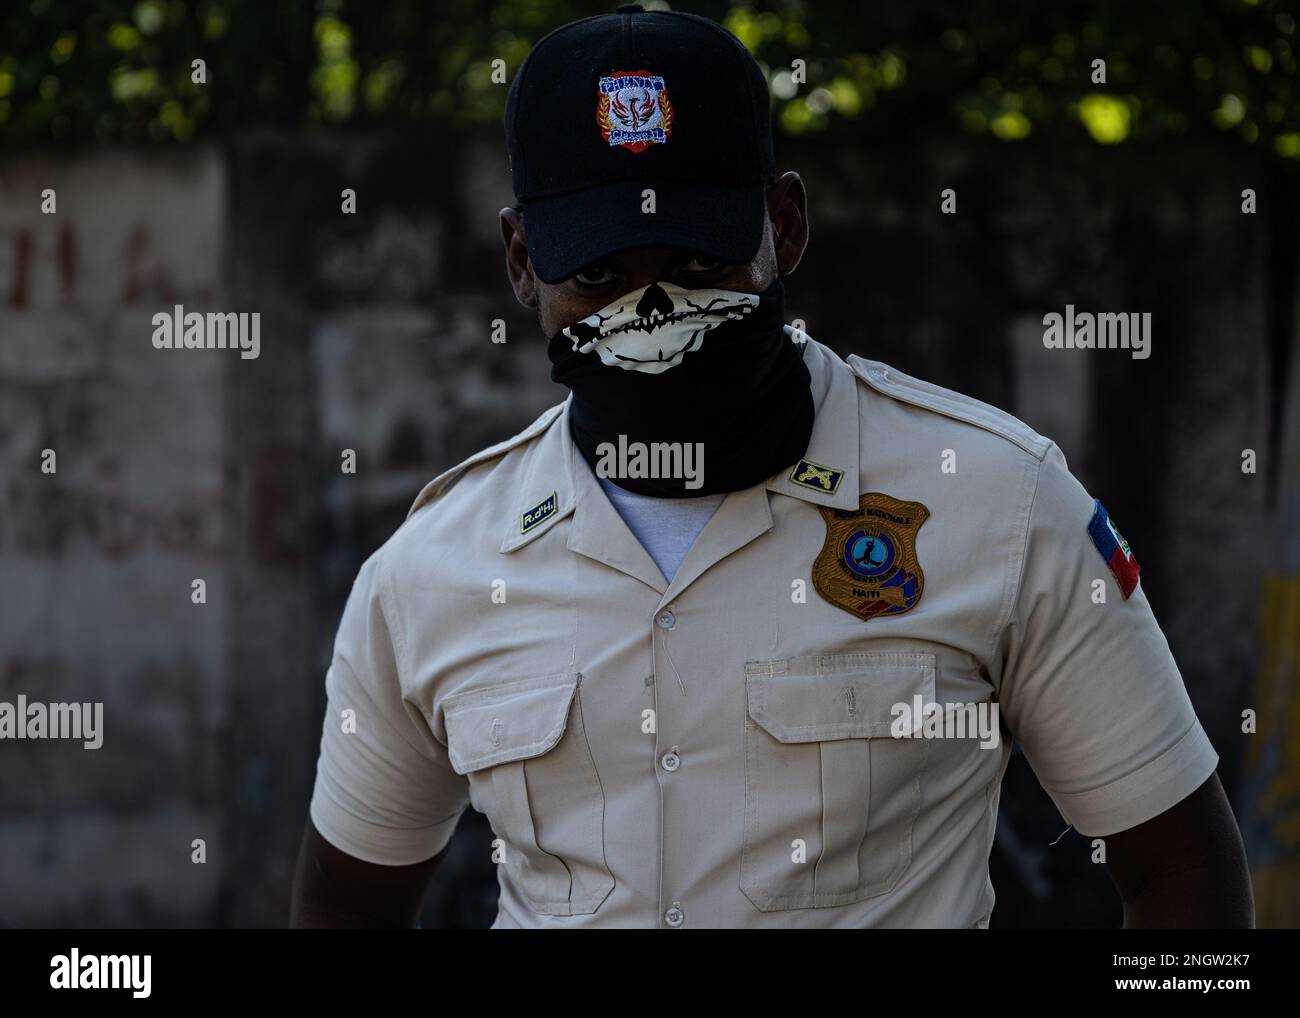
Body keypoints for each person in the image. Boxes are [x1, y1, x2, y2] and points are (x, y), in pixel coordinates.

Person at [290, 3, 1252, 929]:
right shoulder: (433, 568)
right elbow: (346, 905)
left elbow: (1180, 869)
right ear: (519, 259)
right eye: (599, 275)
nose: (652, 307)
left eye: (700, 265)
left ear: (783, 225)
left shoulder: (996, 501)